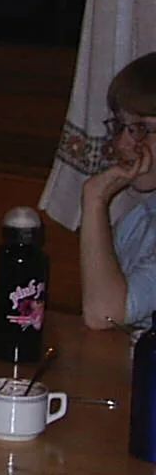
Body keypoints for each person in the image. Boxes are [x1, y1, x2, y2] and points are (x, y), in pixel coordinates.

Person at [80, 53, 156, 332]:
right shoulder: (141, 218)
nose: (123, 142)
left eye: (140, 128)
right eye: (121, 126)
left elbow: (104, 315)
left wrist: (95, 198)